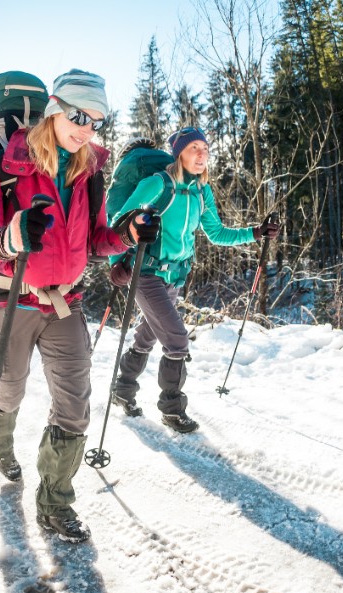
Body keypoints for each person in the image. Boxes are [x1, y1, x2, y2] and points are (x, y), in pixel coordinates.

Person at [0, 69, 158, 543]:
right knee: (9, 391)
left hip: (65, 304)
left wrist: (126, 235)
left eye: (97, 121)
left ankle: (55, 503)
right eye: (78, 115)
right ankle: (1, 445)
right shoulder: (4, 169)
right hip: (9, 301)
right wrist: (8, 239)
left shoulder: (88, 173)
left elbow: (94, 241)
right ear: (53, 107)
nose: (87, 129)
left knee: (75, 407)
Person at [108, 126, 279, 433]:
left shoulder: (202, 191)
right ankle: (172, 408)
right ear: (178, 153)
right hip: (145, 273)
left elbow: (217, 234)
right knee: (177, 340)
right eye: (193, 148)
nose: (201, 154)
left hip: (176, 276)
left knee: (148, 335)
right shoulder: (157, 183)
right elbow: (118, 221)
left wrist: (255, 232)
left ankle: (122, 389)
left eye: (205, 148)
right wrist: (115, 262)